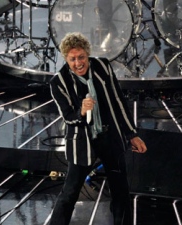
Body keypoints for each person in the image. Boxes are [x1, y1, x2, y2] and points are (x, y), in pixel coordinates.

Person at [49, 32, 147, 225]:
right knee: (70, 192)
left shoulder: (102, 66)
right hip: (82, 142)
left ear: (88, 54)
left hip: (110, 137)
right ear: (66, 59)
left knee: (120, 191)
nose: (78, 63)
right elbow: (68, 118)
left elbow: (118, 101)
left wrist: (131, 134)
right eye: (73, 59)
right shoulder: (58, 82)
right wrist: (82, 112)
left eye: (82, 57)